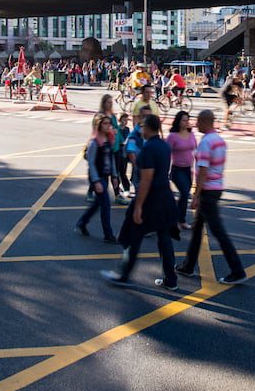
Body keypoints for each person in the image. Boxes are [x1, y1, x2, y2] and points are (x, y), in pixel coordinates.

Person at [103, 114, 180, 292]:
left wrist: (138, 206)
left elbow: (146, 180)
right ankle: (171, 279)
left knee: (133, 236)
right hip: (165, 197)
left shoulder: (147, 150)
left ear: (148, 128)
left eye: (143, 127)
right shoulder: (164, 146)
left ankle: (123, 275)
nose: (141, 130)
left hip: (150, 200)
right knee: (164, 238)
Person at [174, 109, 247, 284]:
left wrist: (196, 195)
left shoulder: (206, 142)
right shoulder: (219, 140)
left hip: (207, 191)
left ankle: (237, 271)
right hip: (217, 187)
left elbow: (203, 171)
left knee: (218, 231)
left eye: (198, 121)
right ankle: (188, 265)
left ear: (205, 121)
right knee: (198, 229)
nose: (195, 124)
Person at [74, 114, 117, 243]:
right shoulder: (94, 142)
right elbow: (91, 163)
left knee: (98, 203)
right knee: (105, 204)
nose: (108, 126)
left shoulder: (108, 140)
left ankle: (82, 222)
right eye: (105, 123)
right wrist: (96, 181)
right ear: (98, 125)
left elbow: (111, 158)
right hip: (97, 177)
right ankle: (108, 235)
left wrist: (114, 175)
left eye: (109, 123)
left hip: (105, 175)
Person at [167, 111, 197, 230]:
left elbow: (196, 150)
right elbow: (166, 153)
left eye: (187, 120)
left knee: (184, 196)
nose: (186, 122)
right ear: (178, 121)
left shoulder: (191, 134)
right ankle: (180, 220)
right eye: (184, 120)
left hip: (188, 170)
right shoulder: (172, 136)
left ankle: (179, 219)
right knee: (184, 193)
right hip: (177, 169)